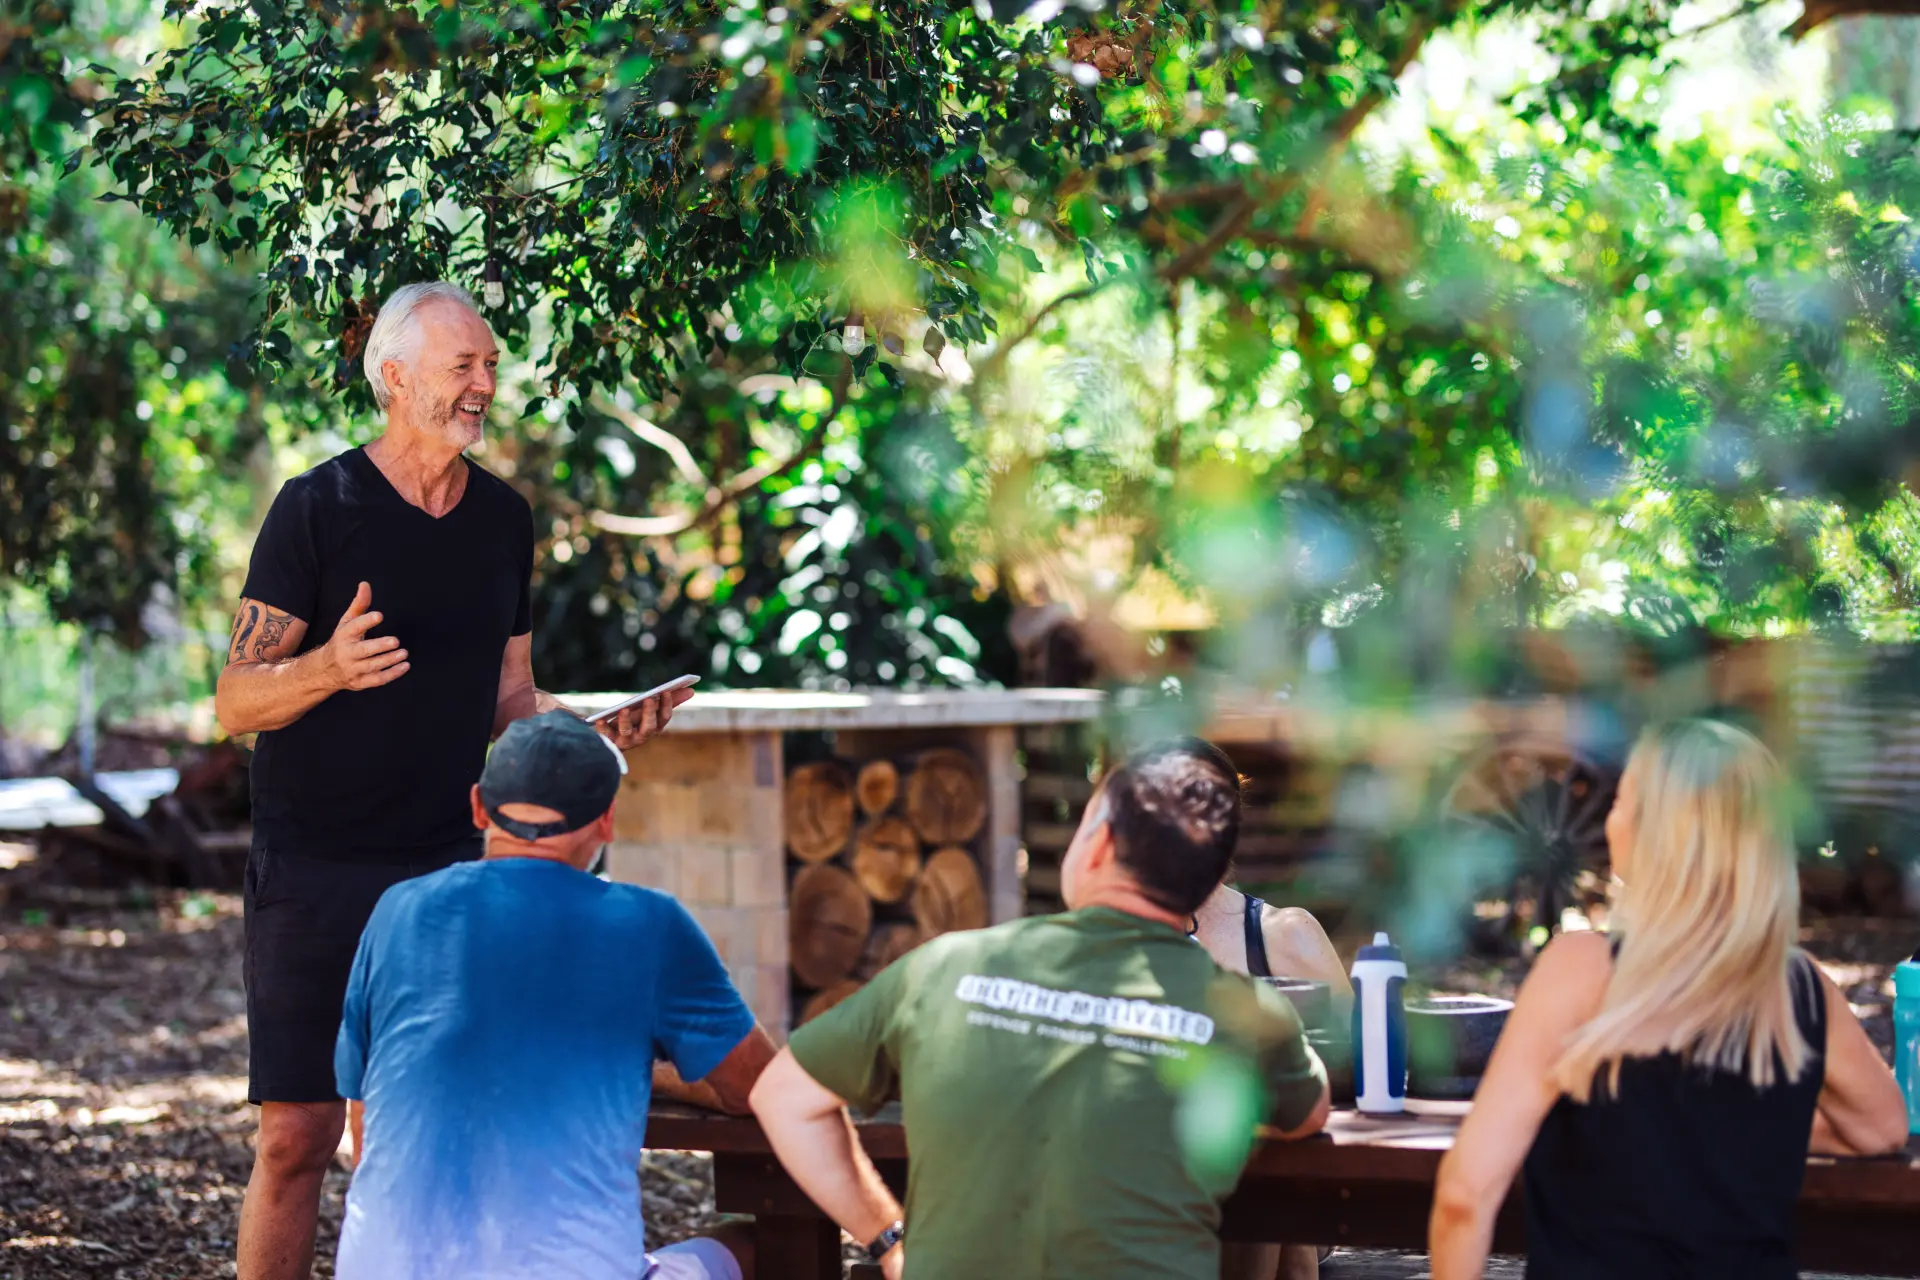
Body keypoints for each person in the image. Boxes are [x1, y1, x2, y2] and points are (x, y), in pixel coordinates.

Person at [215, 280, 694, 1280]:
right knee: (297, 1136)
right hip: (315, 867)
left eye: (490, 365)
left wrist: (585, 732)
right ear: (395, 377)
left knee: (424, 1131)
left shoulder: (503, 520)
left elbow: (508, 695)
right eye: (463, 364)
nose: (484, 383)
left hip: (448, 866)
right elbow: (236, 701)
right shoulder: (316, 508)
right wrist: (326, 669)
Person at [749, 737, 1331, 1280]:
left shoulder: (945, 967)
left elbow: (782, 1096)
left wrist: (889, 1241)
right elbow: (1310, 1113)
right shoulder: (1246, 1013)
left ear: (1097, 844)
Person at [1429, 719, 1909, 1279]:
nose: (1610, 821)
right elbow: (1881, 1130)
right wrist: (1749, 1134)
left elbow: (1465, 1195)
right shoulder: (1799, 987)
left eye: (1621, 802)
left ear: (1655, 833)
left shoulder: (1580, 970)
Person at [335, 710, 777, 1280]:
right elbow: (764, 1090)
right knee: (757, 1246)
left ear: (478, 807)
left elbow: (366, 1122)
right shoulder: (649, 924)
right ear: (607, 822)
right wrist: (661, 1075)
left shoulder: (397, 911)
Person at [1191, 870, 1350, 1280]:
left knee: (1265, 1183)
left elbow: (1359, 1062)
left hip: (1289, 1178)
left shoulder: (1286, 933)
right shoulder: (1128, 940)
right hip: (1171, 1185)